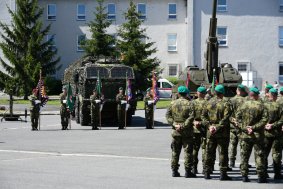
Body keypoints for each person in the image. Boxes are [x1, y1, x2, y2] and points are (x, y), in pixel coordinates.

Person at [236, 87, 268, 183]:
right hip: (257, 135)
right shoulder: (261, 106)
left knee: (244, 156)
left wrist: (245, 128)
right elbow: (264, 120)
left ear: (250, 95)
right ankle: (260, 176)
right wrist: (253, 128)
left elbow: (237, 120)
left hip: (245, 135)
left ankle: (244, 176)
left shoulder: (243, 105)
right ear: (257, 95)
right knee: (259, 156)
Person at [201, 84, 232, 180]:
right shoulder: (226, 103)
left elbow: (203, 116)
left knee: (209, 152)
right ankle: (223, 174)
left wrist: (210, 126)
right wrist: (217, 127)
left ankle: (207, 172)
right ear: (223, 93)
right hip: (222, 132)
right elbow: (226, 118)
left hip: (210, 131)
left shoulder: (209, 102)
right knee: (223, 153)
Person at [166, 86, 195, 178]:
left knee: (175, 151)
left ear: (178, 93)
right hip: (187, 132)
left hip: (176, 132)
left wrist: (175, 124)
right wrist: (183, 125)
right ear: (186, 93)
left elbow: (168, 116)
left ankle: (174, 171)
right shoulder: (190, 104)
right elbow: (191, 117)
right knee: (188, 152)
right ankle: (187, 171)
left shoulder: (172, 103)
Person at [264, 88, 283, 179]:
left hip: (266, 133)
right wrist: (273, 125)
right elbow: (282, 120)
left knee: (264, 153)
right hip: (277, 133)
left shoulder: (263, 105)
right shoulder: (280, 106)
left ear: (269, 95)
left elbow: (259, 118)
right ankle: (277, 173)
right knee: (277, 154)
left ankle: (264, 172)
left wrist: (266, 125)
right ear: (276, 95)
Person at [228, 84, 247, 168]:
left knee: (232, 144)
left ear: (237, 91)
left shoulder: (231, 100)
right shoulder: (245, 101)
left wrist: (233, 120)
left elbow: (228, 114)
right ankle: (244, 162)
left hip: (232, 126)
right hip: (242, 126)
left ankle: (231, 161)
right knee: (243, 145)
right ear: (242, 91)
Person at [191, 86, 207, 175]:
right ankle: (205, 168)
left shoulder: (192, 103)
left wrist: (194, 122)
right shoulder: (208, 103)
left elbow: (190, 116)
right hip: (204, 128)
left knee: (194, 149)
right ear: (205, 94)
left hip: (195, 129)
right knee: (205, 149)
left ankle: (194, 168)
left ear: (197, 93)